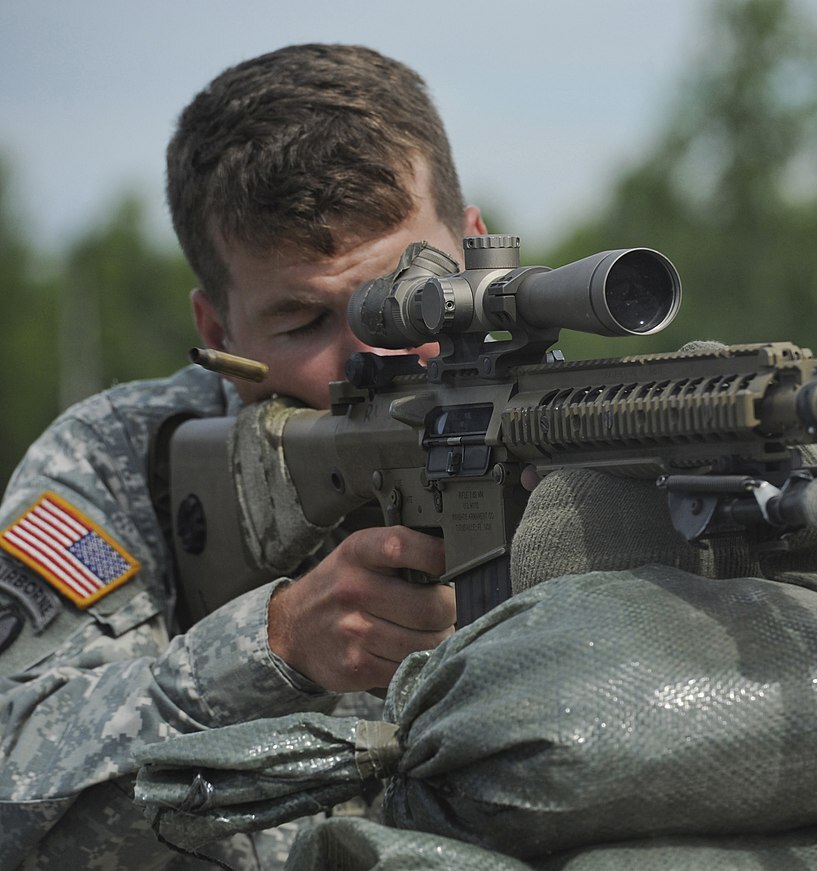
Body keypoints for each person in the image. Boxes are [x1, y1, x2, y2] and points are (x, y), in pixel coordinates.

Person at [0, 43, 486, 867]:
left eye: (413, 297)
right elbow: (17, 786)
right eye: (304, 322)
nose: (376, 356)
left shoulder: (578, 432)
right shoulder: (124, 461)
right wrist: (276, 645)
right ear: (218, 332)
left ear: (477, 250)